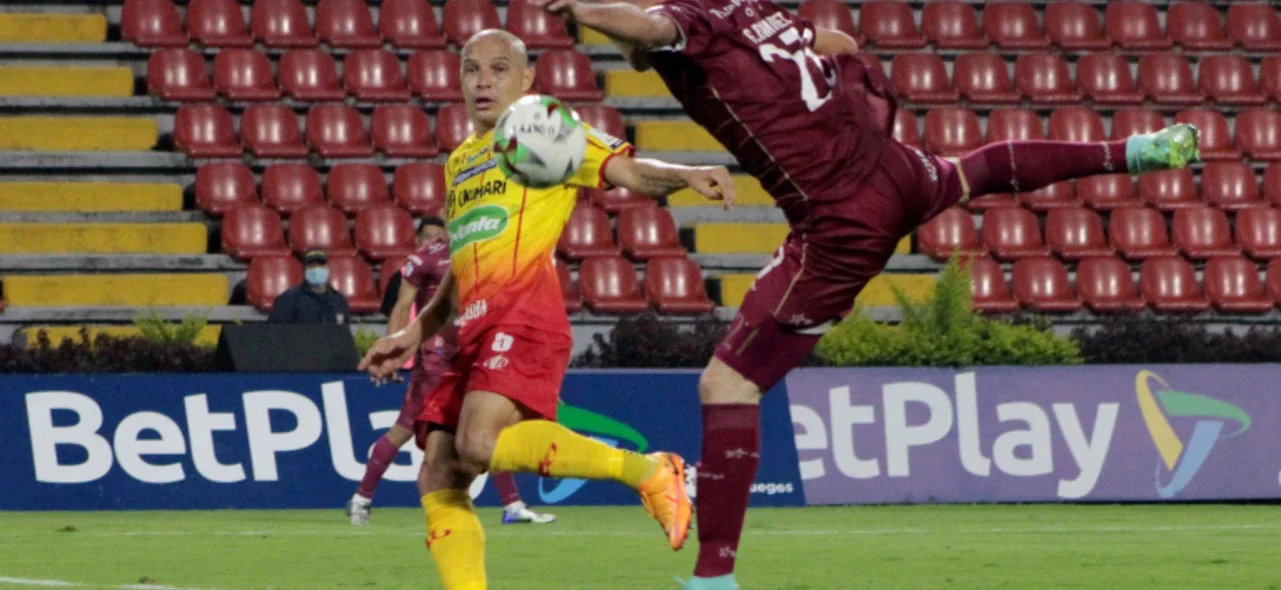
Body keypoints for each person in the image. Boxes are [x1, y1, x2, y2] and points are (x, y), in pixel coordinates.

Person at [526, 1, 1203, 588]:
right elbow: (838, 47)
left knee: (727, 387)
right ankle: (1135, 151)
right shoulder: (752, 11)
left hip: (841, 219)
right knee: (977, 170)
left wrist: (584, 11)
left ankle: (713, 578)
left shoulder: (693, 20)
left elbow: (646, 27)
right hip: (891, 166)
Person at [357, 29, 738, 590]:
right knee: (439, 472)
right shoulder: (461, 162)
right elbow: (462, 268)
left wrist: (683, 176)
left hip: (525, 311)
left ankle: (651, 470)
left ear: (527, 79)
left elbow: (629, 171)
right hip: (472, 325)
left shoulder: (547, 131)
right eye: (471, 69)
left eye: (498, 69)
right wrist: (415, 334)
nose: (483, 80)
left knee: (478, 444)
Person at [346, 216, 556, 526]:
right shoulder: (428, 257)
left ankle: (512, 506)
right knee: (404, 428)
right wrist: (397, 351)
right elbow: (403, 306)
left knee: (487, 430)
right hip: (438, 359)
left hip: (474, 355)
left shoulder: (482, 252)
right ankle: (361, 499)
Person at [267, 249, 352, 324]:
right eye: (311, 265)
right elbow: (274, 333)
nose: (316, 268)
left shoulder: (339, 300)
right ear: (304, 270)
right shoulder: (289, 299)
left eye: (321, 264)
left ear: (328, 268)